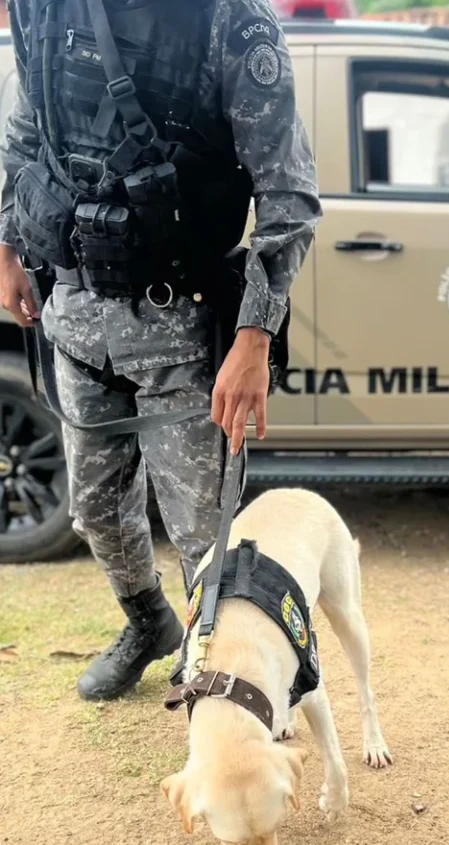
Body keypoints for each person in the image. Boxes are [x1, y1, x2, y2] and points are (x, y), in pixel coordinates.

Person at [0, 0, 320, 701]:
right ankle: (148, 623)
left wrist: (253, 338)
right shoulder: (48, 10)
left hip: (184, 323)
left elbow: (288, 195)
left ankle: (223, 673)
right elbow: (25, 135)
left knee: (206, 534)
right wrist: (7, 248)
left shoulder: (230, 20)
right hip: (76, 313)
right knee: (93, 506)